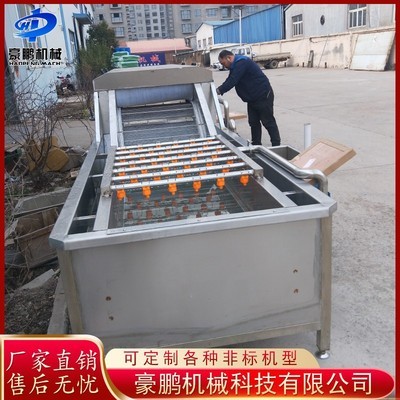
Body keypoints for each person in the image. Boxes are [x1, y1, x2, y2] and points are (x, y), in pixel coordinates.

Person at [216, 50, 281, 147]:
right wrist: (218, 90)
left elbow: (233, 80)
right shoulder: (236, 65)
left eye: (223, 63)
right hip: (252, 98)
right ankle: (256, 144)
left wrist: (218, 91)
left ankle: (277, 145)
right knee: (253, 122)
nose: (224, 66)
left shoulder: (242, 62)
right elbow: (230, 79)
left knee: (268, 121)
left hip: (262, 95)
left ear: (228, 58)